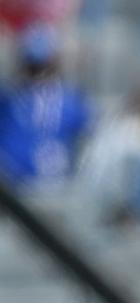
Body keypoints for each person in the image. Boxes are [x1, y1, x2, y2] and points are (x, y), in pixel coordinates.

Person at [0, 24, 91, 186]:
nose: (37, 73)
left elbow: (87, 136)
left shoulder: (71, 100)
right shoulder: (8, 99)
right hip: (14, 186)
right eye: (32, 67)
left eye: (42, 67)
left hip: (57, 184)